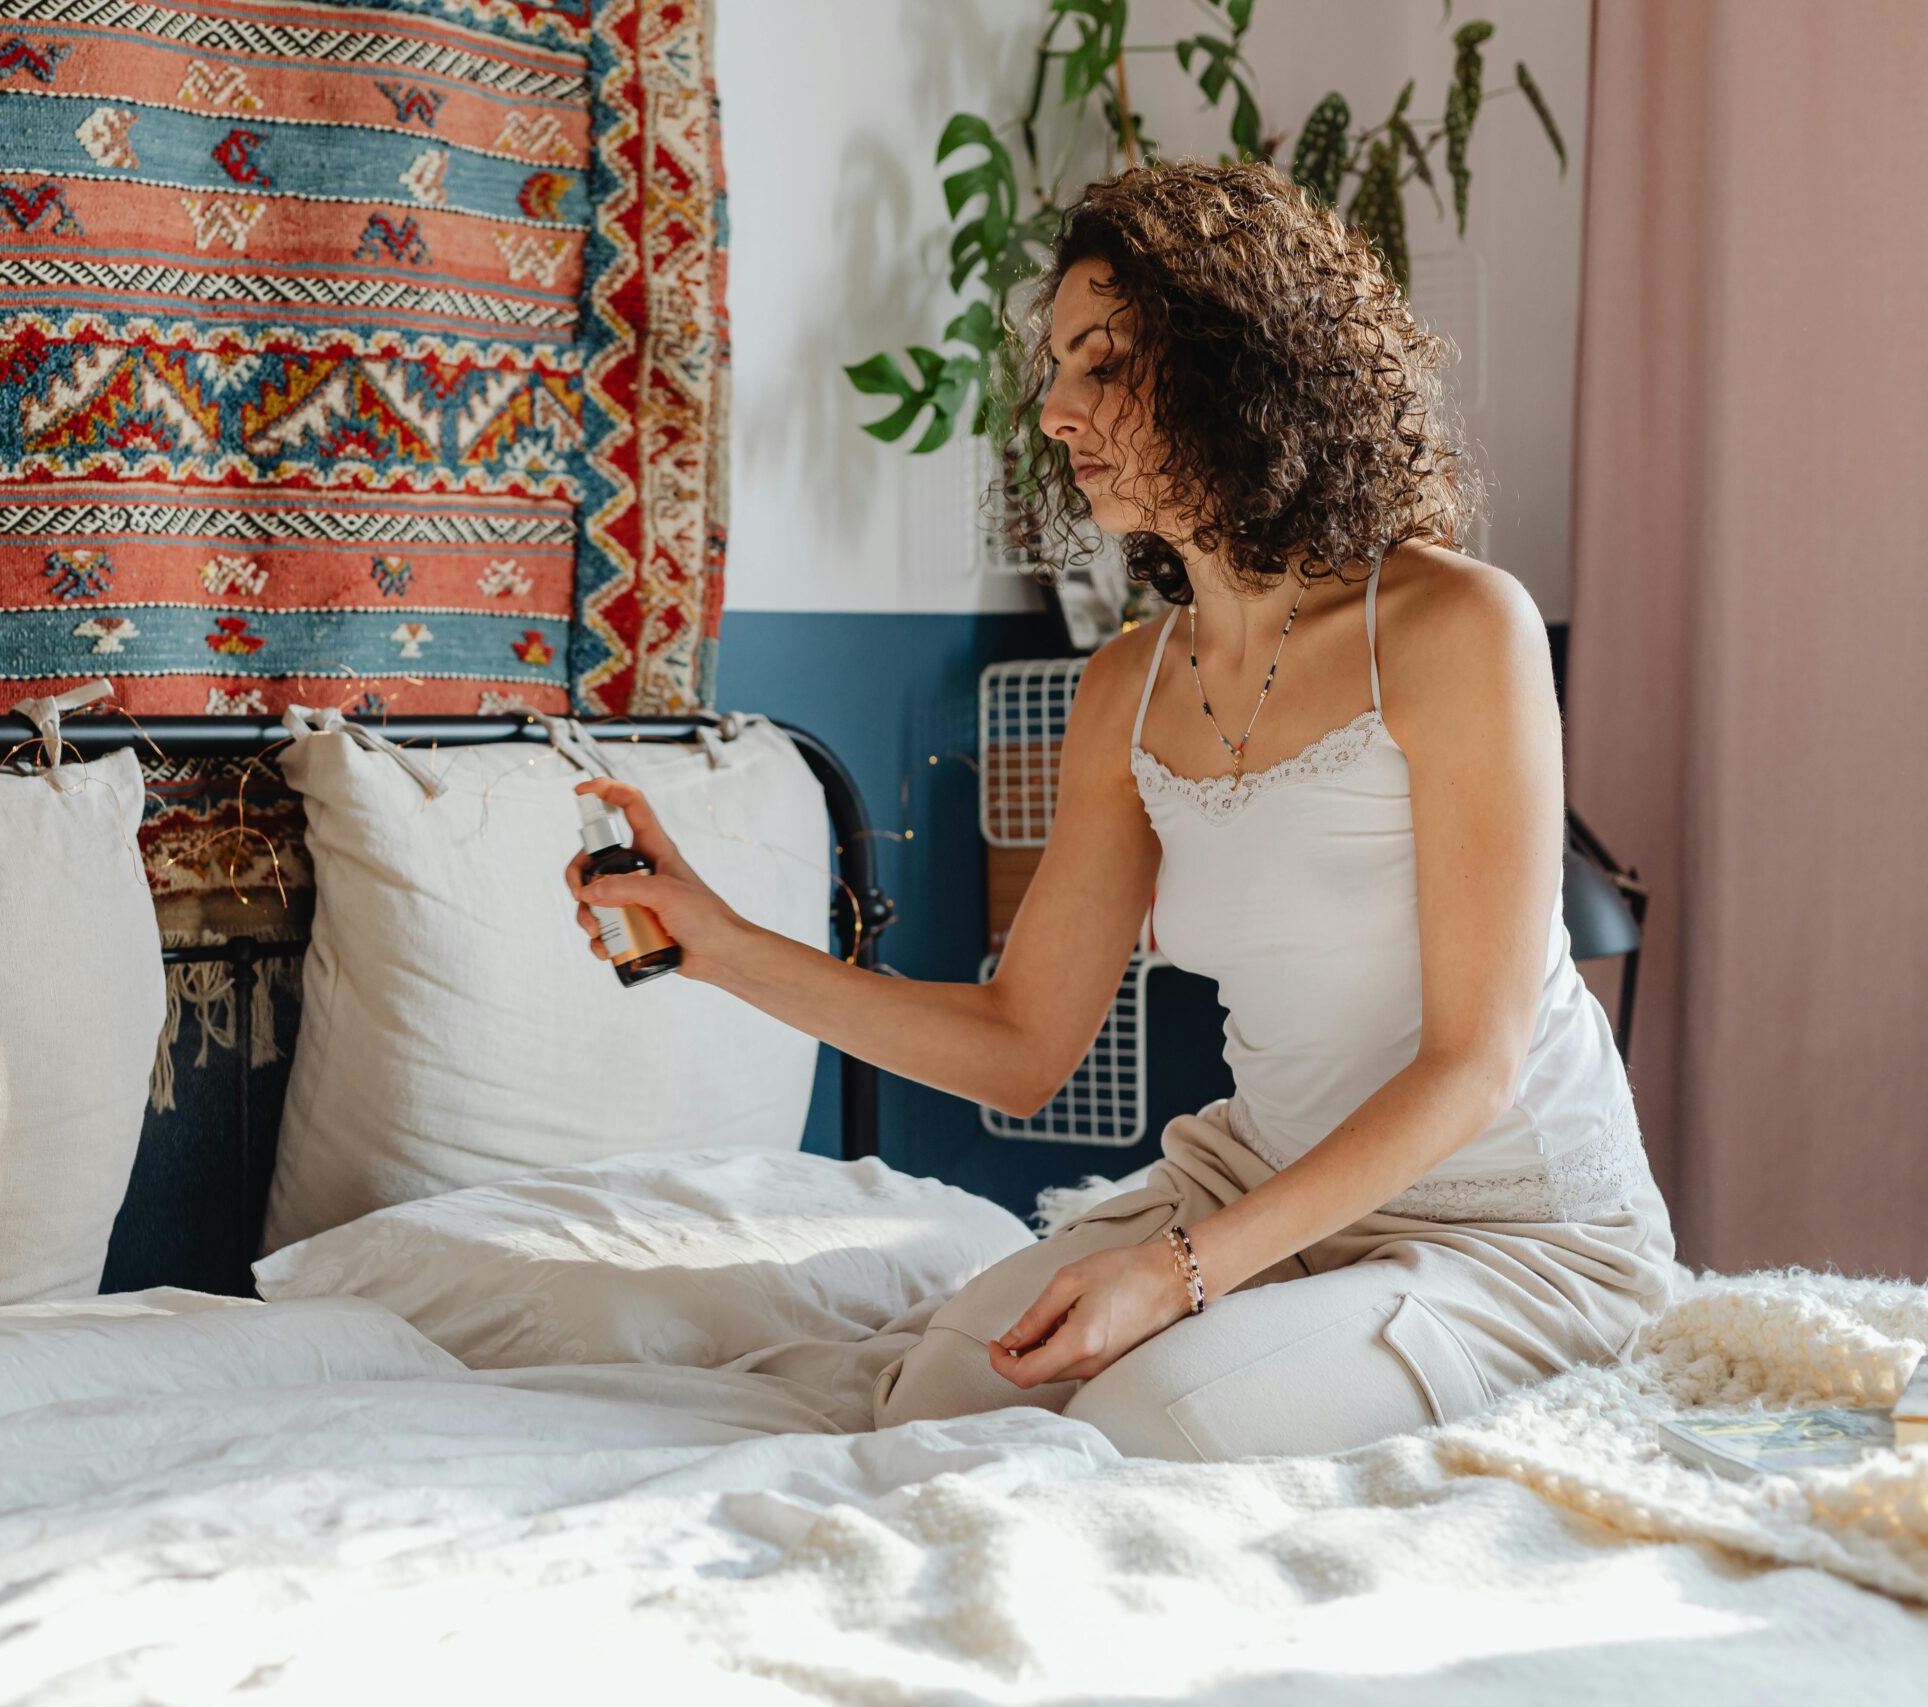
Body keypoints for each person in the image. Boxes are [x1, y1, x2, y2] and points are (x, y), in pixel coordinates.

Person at [561, 158, 1675, 1462]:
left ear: (1235, 362)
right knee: (945, 1398)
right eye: (1055, 370)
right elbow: (1022, 1043)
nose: (1054, 411)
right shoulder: (1127, 686)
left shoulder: (1451, 624)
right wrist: (716, 944)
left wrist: (1181, 1274)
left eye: (1099, 362)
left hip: (1510, 1228)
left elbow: (1473, 1065)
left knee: (1161, 1422)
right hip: (1266, 1192)